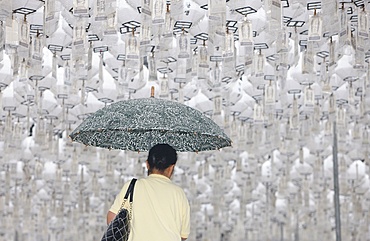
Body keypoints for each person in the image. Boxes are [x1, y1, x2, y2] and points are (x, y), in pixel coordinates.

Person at [106, 144, 191, 241]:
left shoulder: (132, 186)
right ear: (171, 167)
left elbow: (111, 218)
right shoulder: (179, 194)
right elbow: (184, 235)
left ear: (147, 164)